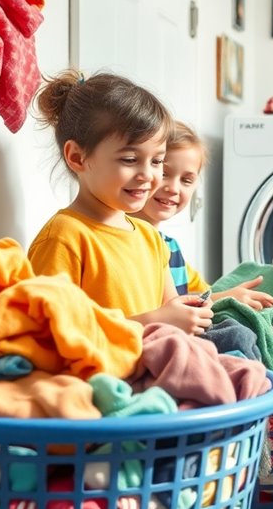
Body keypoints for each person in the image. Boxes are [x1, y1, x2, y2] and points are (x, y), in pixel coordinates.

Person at [28, 70, 213, 335]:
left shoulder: (150, 238)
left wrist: (191, 313)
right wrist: (152, 321)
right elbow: (51, 334)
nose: (148, 175)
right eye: (129, 159)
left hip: (156, 362)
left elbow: (171, 315)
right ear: (77, 158)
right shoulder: (64, 239)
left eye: (157, 161)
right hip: (100, 372)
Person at [132, 120, 273, 310]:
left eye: (186, 180)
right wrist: (224, 298)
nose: (173, 188)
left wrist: (231, 293)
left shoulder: (171, 247)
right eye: (165, 173)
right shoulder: (129, 243)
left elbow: (201, 294)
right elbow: (163, 310)